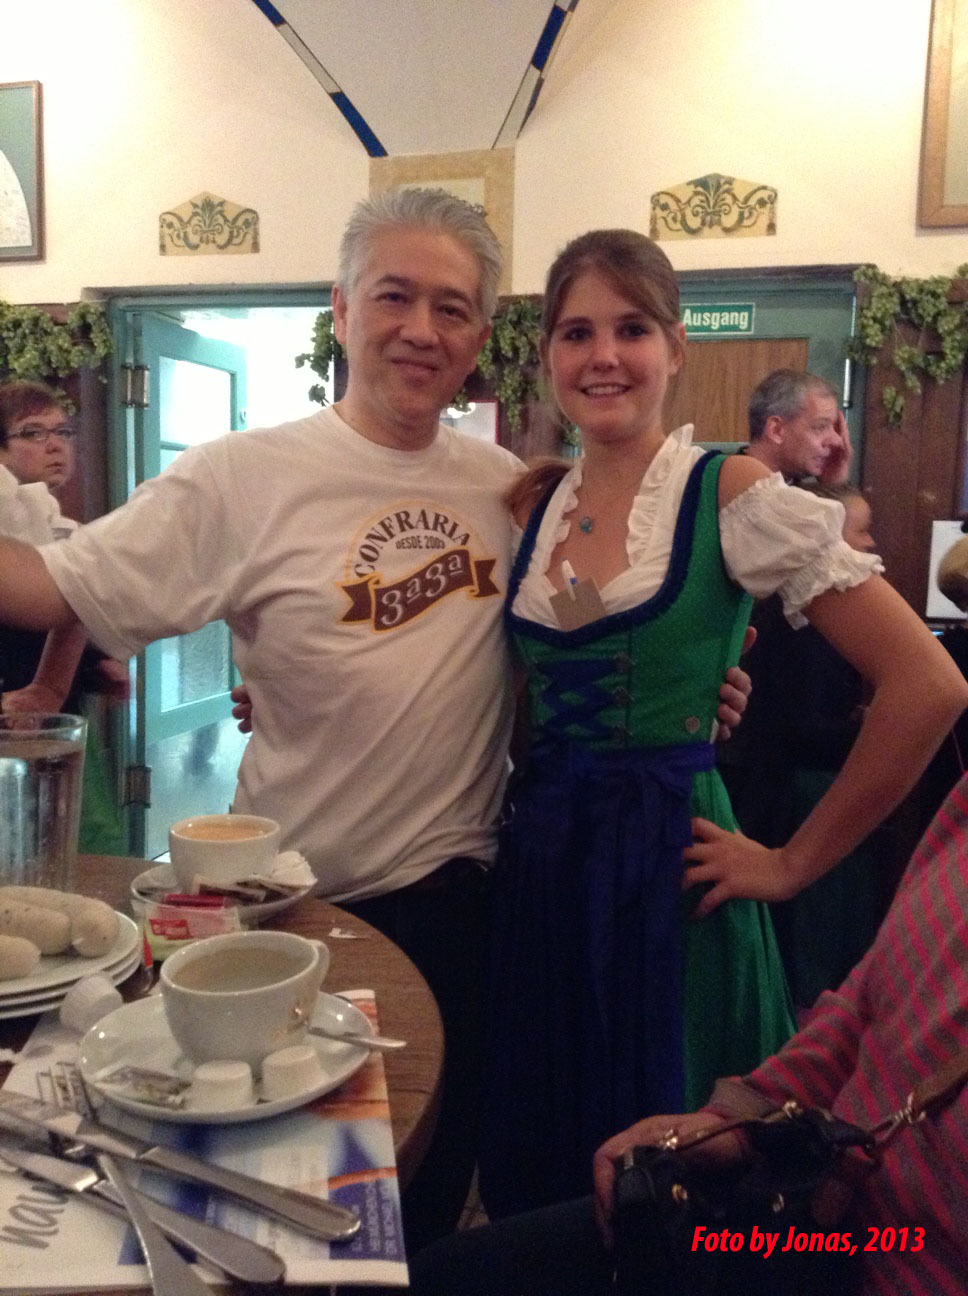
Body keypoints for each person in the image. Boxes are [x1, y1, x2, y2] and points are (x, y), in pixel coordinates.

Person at [0, 191, 751, 1251]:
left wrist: (702, 688)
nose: (420, 329)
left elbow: (600, 637)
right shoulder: (240, 476)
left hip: (466, 911)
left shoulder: (517, 493)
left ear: (481, 338)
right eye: (394, 297)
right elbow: (50, 590)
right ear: (342, 310)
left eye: (453, 308)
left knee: (426, 1202)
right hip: (287, 911)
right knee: (276, 1214)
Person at [475, 229, 968, 1220]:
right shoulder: (534, 505)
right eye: (576, 332)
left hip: (671, 874)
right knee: (547, 1166)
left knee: (672, 1177)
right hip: (545, 870)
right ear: (548, 354)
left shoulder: (728, 493)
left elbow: (927, 686)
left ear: (675, 346)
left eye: (631, 329)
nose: (603, 355)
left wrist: (788, 864)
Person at [406, 770, 968, 1296]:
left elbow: (930, 701)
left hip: (887, 1260)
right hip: (815, 1225)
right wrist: (742, 1120)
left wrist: (789, 865)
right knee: (447, 1273)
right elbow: (870, 999)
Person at [0, 380, 127, 854]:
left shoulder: (58, 526)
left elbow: (55, 614)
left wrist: (91, 666)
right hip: (15, 726)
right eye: (33, 432)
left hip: (56, 722)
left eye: (63, 431)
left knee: (77, 848)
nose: (54, 445)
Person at [742, 367, 852, 484]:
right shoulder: (734, 483)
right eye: (820, 427)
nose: (837, 441)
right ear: (776, 430)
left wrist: (834, 485)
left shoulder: (792, 485)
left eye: (835, 428)